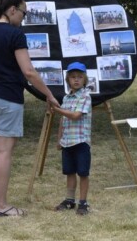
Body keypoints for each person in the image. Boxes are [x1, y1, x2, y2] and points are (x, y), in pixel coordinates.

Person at [0, 0, 60, 217]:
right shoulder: (15, 35)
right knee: (4, 152)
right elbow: (28, 71)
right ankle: (0, 206)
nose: (24, 18)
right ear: (12, 10)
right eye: (23, 13)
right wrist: (49, 94)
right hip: (8, 97)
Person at [52, 62, 92, 216]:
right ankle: (70, 200)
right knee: (69, 171)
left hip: (81, 141)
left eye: (80, 77)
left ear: (84, 79)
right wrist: (59, 138)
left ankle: (83, 202)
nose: (76, 80)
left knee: (83, 172)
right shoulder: (67, 98)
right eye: (73, 77)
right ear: (68, 79)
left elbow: (75, 116)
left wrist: (57, 109)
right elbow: (63, 120)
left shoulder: (85, 96)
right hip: (67, 141)